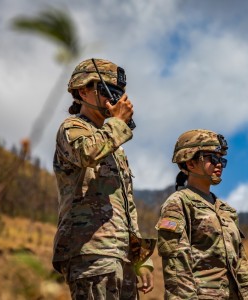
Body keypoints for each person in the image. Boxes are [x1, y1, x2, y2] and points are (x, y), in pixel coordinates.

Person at [52, 58, 155, 299]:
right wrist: (118, 123)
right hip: (90, 251)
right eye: (106, 90)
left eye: (119, 93)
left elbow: (127, 204)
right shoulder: (72, 127)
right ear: (83, 91)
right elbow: (86, 152)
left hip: (122, 255)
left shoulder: (114, 145)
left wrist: (140, 258)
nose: (114, 98)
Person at [156, 129, 248, 299]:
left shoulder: (227, 210)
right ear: (190, 163)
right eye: (213, 158)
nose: (219, 164)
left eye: (222, 160)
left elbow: (241, 266)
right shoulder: (179, 203)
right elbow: (176, 265)